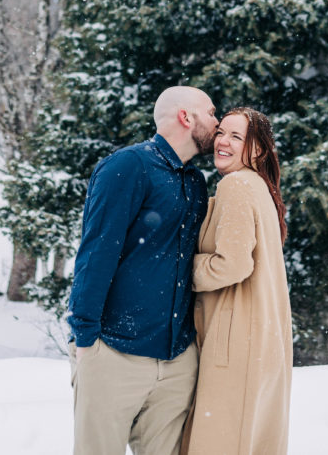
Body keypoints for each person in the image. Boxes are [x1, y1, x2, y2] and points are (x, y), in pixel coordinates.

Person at [66, 85, 218, 455]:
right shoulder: (128, 166)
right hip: (114, 354)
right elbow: (97, 252)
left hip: (178, 359)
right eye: (211, 113)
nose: (218, 122)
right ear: (187, 117)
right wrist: (85, 338)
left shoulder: (195, 182)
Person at [184, 107, 293, 455]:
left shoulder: (237, 185)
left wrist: (180, 272)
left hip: (236, 341)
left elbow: (232, 264)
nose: (223, 142)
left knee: (219, 440)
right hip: (258, 337)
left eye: (236, 136)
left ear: (258, 149)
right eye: (221, 133)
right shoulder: (259, 186)